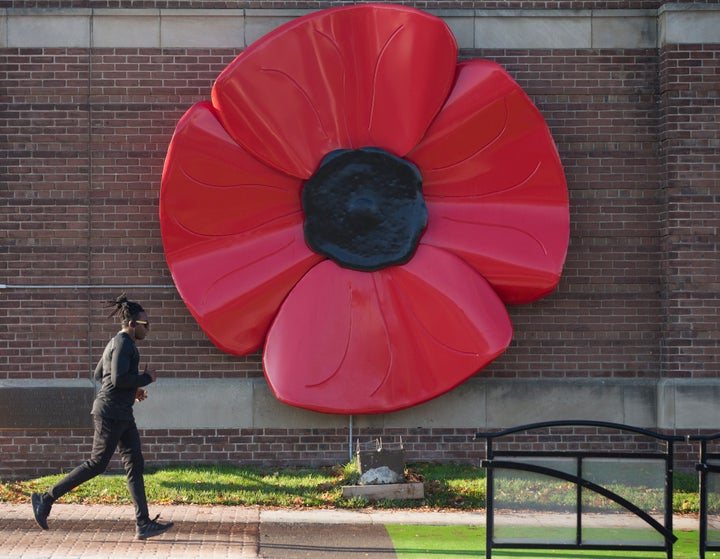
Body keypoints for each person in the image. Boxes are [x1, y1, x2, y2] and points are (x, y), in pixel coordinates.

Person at [31, 293, 174, 540]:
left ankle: (143, 523)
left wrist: (133, 391)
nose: (147, 329)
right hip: (110, 414)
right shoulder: (124, 344)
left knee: (134, 464)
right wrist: (146, 379)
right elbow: (117, 379)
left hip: (122, 414)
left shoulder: (115, 344)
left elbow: (100, 374)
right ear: (132, 325)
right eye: (145, 325)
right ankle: (45, 499)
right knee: (97, 464)